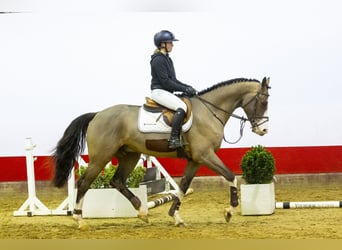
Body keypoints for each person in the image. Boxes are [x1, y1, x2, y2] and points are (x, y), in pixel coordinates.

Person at [150, 30, 197, 149]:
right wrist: (184, 88)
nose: (172, 45)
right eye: (170, 42)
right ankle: (174, 139)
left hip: (166, 92)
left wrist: (187, 87)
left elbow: (174, 80)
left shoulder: (168, 59)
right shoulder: (158, 60)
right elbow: (165, 82)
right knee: (181, 108)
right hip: (159, 92)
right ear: (162, 44)